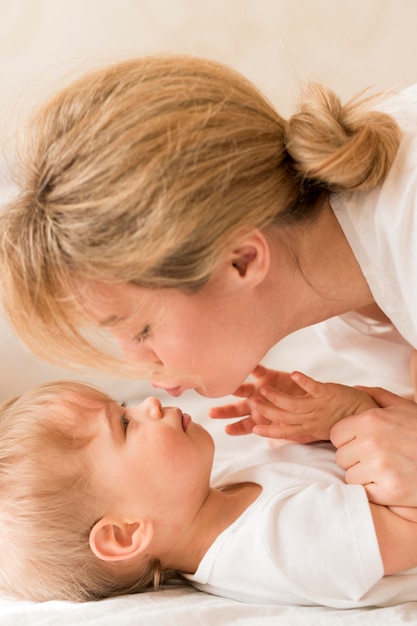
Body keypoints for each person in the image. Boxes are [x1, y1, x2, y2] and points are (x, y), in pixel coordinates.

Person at [1, 55, 417, 509]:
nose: (141, 366)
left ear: (240, 260)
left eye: (142, 330)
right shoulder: (344, 305)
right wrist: (354, 410)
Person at [2, 378, 417, 606]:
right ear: (126, 533)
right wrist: (356, 413)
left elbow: (313, 478)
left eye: (123, 405)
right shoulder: (276, 544)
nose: (148, 403)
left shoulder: (223, 493)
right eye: (125, 425)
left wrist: (299, 421)